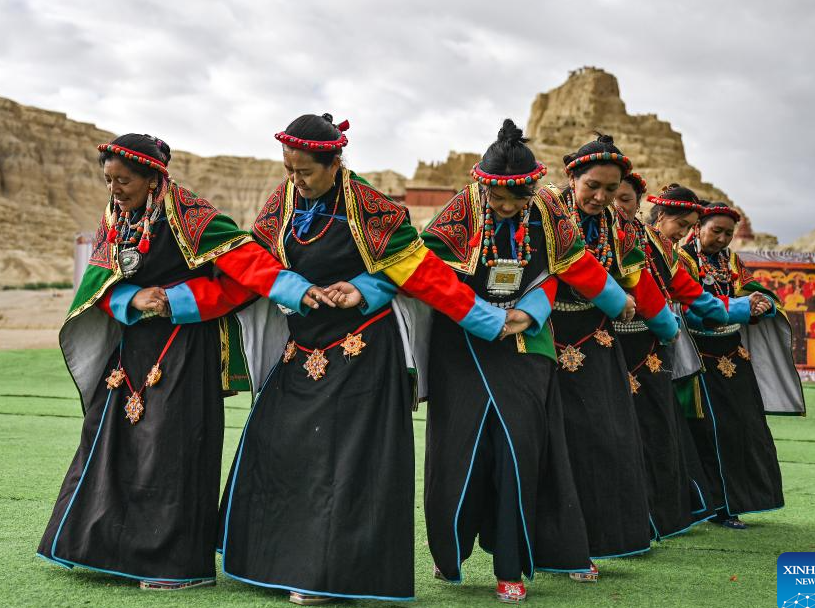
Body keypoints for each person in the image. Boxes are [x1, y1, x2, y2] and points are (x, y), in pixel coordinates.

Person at [217, 114, 520, 605]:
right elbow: (259, 261)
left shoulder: (374, 210)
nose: (295, 179)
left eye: (305, 172)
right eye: (290, 169)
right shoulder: (284, 201)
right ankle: (270, 561)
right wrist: (294, 288)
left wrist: (361, 290)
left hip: (363, 352)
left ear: (335, 163)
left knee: (344, 464)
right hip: (304, 348)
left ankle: (329, 578)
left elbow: (417, 273)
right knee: (280, 445)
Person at [37, 134, 331, 590]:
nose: (115, 189)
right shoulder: (117, 219)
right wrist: (133, 298)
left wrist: (177, 300)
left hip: (185, 348)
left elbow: (248, 270)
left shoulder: (193, 216)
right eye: (109, 180)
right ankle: (103, 549)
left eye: (125, 180)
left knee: (171, 451)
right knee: (109, 443)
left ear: (154, 177)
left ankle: (178, 566)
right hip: (131, 351)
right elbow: (98, 283)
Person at [420, 120, 635, 603]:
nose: (506, 206)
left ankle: (509, 565)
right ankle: (448, 550)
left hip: (525, 345)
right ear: (483, 183)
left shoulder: (546, 213)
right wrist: (482, 318)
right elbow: (428, 274)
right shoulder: (460, 213)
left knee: (519, 450)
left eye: (516, 197)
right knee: (460, 450)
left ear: (532, 188)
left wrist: (534, 311)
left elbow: (568, 266)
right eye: (497, 195)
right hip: (464, 348)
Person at [551, 134, 679, 580]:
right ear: (572, 177)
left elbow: (637, 282)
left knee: (608, 437)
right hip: (543, 340)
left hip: (598, 341)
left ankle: (600, 541)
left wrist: (663, 325)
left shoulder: (619, 226)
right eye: (593, 186)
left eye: (610, 189)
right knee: (553, 443)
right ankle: (556, 546)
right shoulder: (543, 213)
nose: (602, 197)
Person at [678, 201, 805, 529]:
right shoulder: (683, 259)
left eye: (728, 233)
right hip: (699, 355)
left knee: (745, 429)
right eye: (716, 231)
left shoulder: (730, 260)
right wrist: (741, 306)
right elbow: (691, 308)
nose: (721, 239)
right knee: (711, 432)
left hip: (733, 353)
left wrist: (762, 302)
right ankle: (716, 507)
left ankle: (740, 501)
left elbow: (749, 289)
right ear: (698, 227)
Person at [615, 179, 728, 539]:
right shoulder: (629, 239)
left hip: (652, 348)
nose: (684, 233)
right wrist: (667, 325)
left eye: (691, 226)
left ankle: (659, 514)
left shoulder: (663, 249)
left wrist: (739, 307)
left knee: (658, 427)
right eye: (681, 224)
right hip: (617, 345)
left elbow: (692, 295)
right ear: (660, 215)